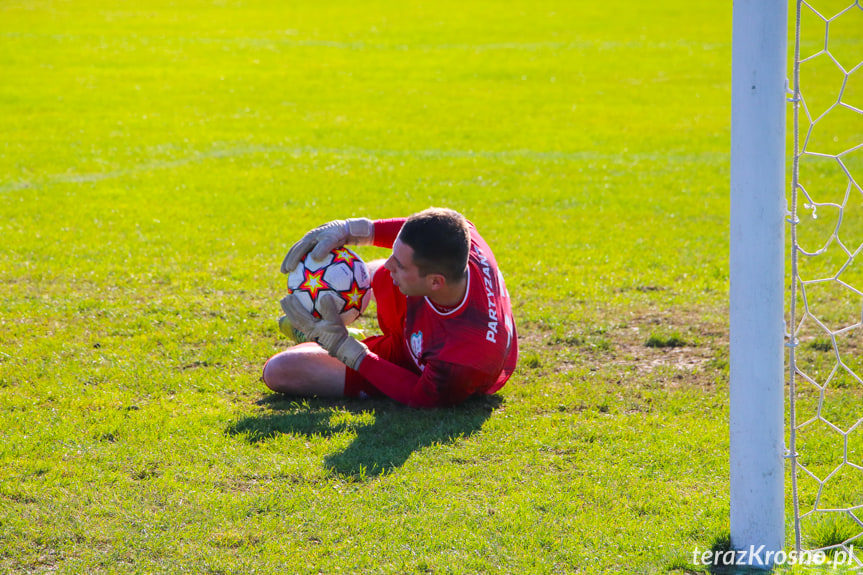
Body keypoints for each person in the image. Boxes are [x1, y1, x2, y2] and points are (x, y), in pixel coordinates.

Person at [262, 207, 518, 408]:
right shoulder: (462, 237)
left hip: (418, 360)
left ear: (435, 281)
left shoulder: (463, 360)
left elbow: (420, 396)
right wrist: (352, 230)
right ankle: (334, 332)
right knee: (375, 273)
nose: (391, 263)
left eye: (401, 264)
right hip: (418, 313)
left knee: (279, 371)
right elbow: (423, 231)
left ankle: (346, 338)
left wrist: (348, 350)